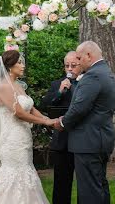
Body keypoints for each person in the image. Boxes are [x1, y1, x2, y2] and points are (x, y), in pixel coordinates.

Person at [0, 50, 55, 204]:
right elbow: (19, 113)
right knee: (14, 175)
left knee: (26, 174)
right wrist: (45, 122)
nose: (22, 66)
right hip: (12, 141)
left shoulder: (18, 85)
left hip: (24, 138)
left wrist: (49, 119)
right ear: (9, 66)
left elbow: (30, 108)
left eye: (22, 62)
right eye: (19, 63)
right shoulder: (4, 87)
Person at [53, 41, 115, 204]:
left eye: (80, 58)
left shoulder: (93, 76)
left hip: (88, 142)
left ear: (89, 55)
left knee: (89, 191)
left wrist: (62, 123)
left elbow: (79, 108)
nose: (78, 61)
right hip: (100, 139)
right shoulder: (105, 71)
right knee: (99, 186)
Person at [41, 51, 81, 204]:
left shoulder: (86, 83)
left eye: (73, 65)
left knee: (84, 184)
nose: (70, 69)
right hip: (62, 141)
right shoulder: (57, 84)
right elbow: (45, 105)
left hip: (81, 139)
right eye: (66, 66)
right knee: (61, 184)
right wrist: (59, 92)